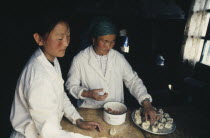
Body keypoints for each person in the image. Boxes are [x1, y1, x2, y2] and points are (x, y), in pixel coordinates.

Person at [10, 13, 102, 138]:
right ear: (39, 39)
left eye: (68, 36)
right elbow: (51, 134)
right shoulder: (39, 79)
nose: (66, 43)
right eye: (59, 38)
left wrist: (77, 120)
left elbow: (60, 94)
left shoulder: (49, 59)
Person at [65, 16, 157, 124]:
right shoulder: (80, 59)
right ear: (94, 40)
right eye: (105, 41)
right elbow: (71, 86)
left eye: (112, 41)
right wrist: (87, 93)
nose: (109, 46)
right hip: (90, 111)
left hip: (116, 112)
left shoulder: (118, 58)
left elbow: (133, 81)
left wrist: (147, 103)